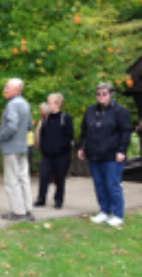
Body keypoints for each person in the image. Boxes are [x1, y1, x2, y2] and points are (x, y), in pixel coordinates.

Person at [78, 82, 131, 227]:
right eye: (98, 94)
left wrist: (121, 150)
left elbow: (125, 132)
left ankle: (117, 213)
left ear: (111, 95)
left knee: (112, 184)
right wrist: (81, 147)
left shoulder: (120, 111)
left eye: (104, 94)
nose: (101, 96)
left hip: (112, 154)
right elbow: (84, 130)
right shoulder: (90, 110)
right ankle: (104, 210)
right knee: (99, 184)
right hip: (93, 154)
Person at [0, 78, 34, 222]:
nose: (5, 89)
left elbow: (12, 126)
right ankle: (28, 209)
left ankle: (18, 212)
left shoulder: (12, 105)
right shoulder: (25, 103)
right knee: (24, 179)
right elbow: (30, 125)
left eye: (8, 87)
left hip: (11, 147)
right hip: (22, 147)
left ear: (17, 90)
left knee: (12, 180)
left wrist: (2, 136)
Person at [34, 93, 74, 209]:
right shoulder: (46, 119)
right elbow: (43, 135)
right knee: (44, 176)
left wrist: (60, 148)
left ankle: (58, 199)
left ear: (58, 104)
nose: (48, 105)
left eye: (50, 103)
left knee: (60, 177)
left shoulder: (65, 118)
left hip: (61, 154)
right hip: (47, 154)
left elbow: (68, 135)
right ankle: (41, 198)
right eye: (48, 103)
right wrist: (44, 148)